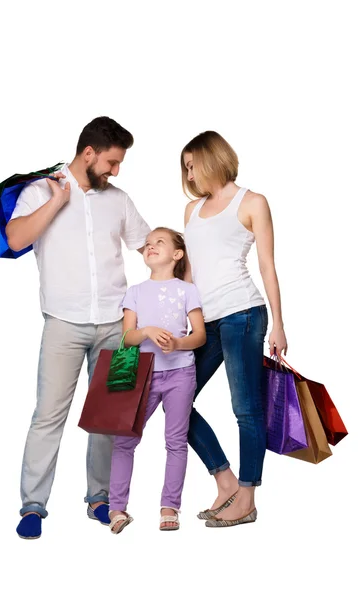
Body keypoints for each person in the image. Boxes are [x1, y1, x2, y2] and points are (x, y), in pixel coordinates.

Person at [5, 116, 151, 539]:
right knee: (48, 416)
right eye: (111, 161)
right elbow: (16, 240)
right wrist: (56, 202)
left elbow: (148, 244)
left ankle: (100, 499)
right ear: (88, 153)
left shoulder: (118, 199)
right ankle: (33, 505)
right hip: (63, 325)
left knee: (111, 416)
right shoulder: (39, 191)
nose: (115, 171)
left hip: (118, 327)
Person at [182, 131, 288, 527]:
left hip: (244, 313)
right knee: (177, 401)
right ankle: (225, 481)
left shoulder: (252, 202)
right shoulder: (191, 210)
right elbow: (189, 273)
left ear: (213, 158)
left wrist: (279, 324)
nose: (190, 175)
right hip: (204, 321)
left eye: (194, 165)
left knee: (246, 409)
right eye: (186, 168)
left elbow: (267, 266)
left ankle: (247, 497)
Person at [108, 227, 206, 534]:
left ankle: (169, 507)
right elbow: (126, 337)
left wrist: (178, 344)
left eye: (159, 242)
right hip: (142, 374)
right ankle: (117, 508)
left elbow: (200, 336)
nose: (150, 246)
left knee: (176, 441)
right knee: (125, 441)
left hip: (181, 374)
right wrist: (148, 331)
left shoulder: (188, 290)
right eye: (148, 243)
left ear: (177, 255)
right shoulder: (135, 292)